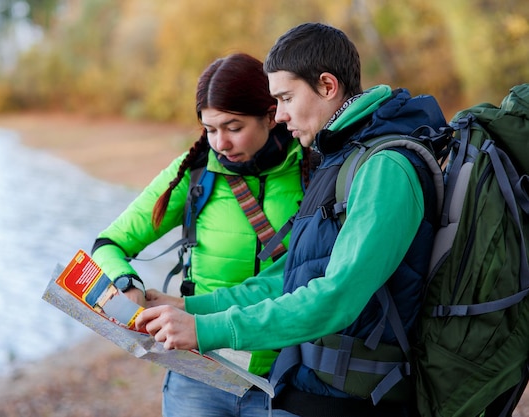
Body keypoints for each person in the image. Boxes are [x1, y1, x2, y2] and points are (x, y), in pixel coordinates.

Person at [137, 22, 449, 417]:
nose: (279, 116)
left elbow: (336, 297)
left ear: (327, 86)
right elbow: (288, 278)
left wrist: (207, 331)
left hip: (354, 400)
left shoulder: (384, 167)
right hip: (312, 386)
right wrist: (190, 307)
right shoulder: (339, 157)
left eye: (286, 97)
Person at [91, 53, 307, 417]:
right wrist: (127, 283)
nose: (220, 143)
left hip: (286, 378)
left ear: (271, 115)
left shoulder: (314, 170)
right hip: (199, 376)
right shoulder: (193, 174)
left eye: (233, 127)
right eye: (210, 129)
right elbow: (109, 244)